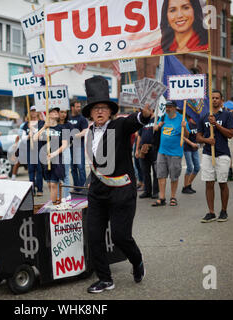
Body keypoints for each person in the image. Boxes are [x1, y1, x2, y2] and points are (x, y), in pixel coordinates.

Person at [82, 76, 151, 294]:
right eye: (95, 108)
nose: (100, 111)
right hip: (97, 192)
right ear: (91, 113)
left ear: (111, 111)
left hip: (122, 191)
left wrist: (145, 114)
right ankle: (105, 279)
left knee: (120, 236)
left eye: (103, 108)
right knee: (94, 236)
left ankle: (137, 260)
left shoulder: (120, 125)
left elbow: (137, 119)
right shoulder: (90, 132)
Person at [196, 90, 233, 223]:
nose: (214, 100)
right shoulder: (204, 116)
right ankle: (211, 212)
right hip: (208, 153)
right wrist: (207, 140)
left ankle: (223, 211)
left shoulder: (227, 115)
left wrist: (216, 125)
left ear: (221, 100)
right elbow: (198, 137)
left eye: (217, 98)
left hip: (222, 153)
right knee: (209, 183)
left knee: (223, 183)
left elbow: (230, 134)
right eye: (212, 98)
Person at [152, 101, 190, 207]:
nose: (167, 109)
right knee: (161, 175)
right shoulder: (164, 117)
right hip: (162, 151)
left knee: (174, 176)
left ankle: (173, 197)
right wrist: (158, 125)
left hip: (175, 153)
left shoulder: (181, 118)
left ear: (174, 108)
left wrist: (184, 127)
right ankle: (162, 198)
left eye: (169, 107)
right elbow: (155, 129)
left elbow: (187, 135)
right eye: (166, 107)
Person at [33, 107, 68, 204]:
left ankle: (53, 205)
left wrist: (54, 154)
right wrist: (44, 127)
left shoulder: (62, 128)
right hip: (45, 159)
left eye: (57, 111)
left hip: (57, 158)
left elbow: (65, 145)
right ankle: (54, 200)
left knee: (53, 183)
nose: (56, 113)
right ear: (48, 115)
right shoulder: (44, 128)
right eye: (53, 111)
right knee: (49, 183)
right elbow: (35, 139)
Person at [20, 106, 44, 196]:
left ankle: (40, 189)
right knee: (31, 170)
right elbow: (22, 139)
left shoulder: (42, 123)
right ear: (29, 113)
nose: (33, 113)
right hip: (30, 150)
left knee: (39, 170)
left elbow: (43, 136)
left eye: (35, 111)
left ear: (38, 112)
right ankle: (32, 190)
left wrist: (33, 131)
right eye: (32, 111)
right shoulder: (26, 124)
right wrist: (28, 136)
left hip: (39, 149)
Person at [136, 111, 159, 199]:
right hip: (143, 149)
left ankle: (156, 192)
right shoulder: (144, 121)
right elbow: (139, 136)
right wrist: (137, 149)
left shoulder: (157, 119)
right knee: (145, 171)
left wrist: (158, 126)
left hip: (154, 148)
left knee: (156, 171)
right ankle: (147, 191)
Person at [68, 101, 89, 191]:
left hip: (78, 146)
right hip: (68, 146)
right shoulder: (67, 118)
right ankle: (76, 187)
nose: (79, 108)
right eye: (77, 107)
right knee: (73, 168)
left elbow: (85, 131)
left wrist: (74, 136)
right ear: (72, 107)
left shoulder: (82, 118)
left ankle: (83, 187)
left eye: (80, 106)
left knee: (80, 167)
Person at [182, 115, 200, 194]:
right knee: (190, 167)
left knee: (197, 167)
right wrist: (191, 143)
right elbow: (183, 136)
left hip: (195, 148)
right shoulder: (188, 124)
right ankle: (186, 187)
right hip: (187, 148)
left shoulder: (198, 124)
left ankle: (188, 184)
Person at [59, 109, 74, 197]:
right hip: (55, 151)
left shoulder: (69, 125)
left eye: (65, 112)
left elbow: (72, 136)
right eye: (61, 112)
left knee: (66, 174)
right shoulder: (53, 124)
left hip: (65, 150)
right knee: (56, 175)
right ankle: (57, 196)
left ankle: (67, 196)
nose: (63, 114)